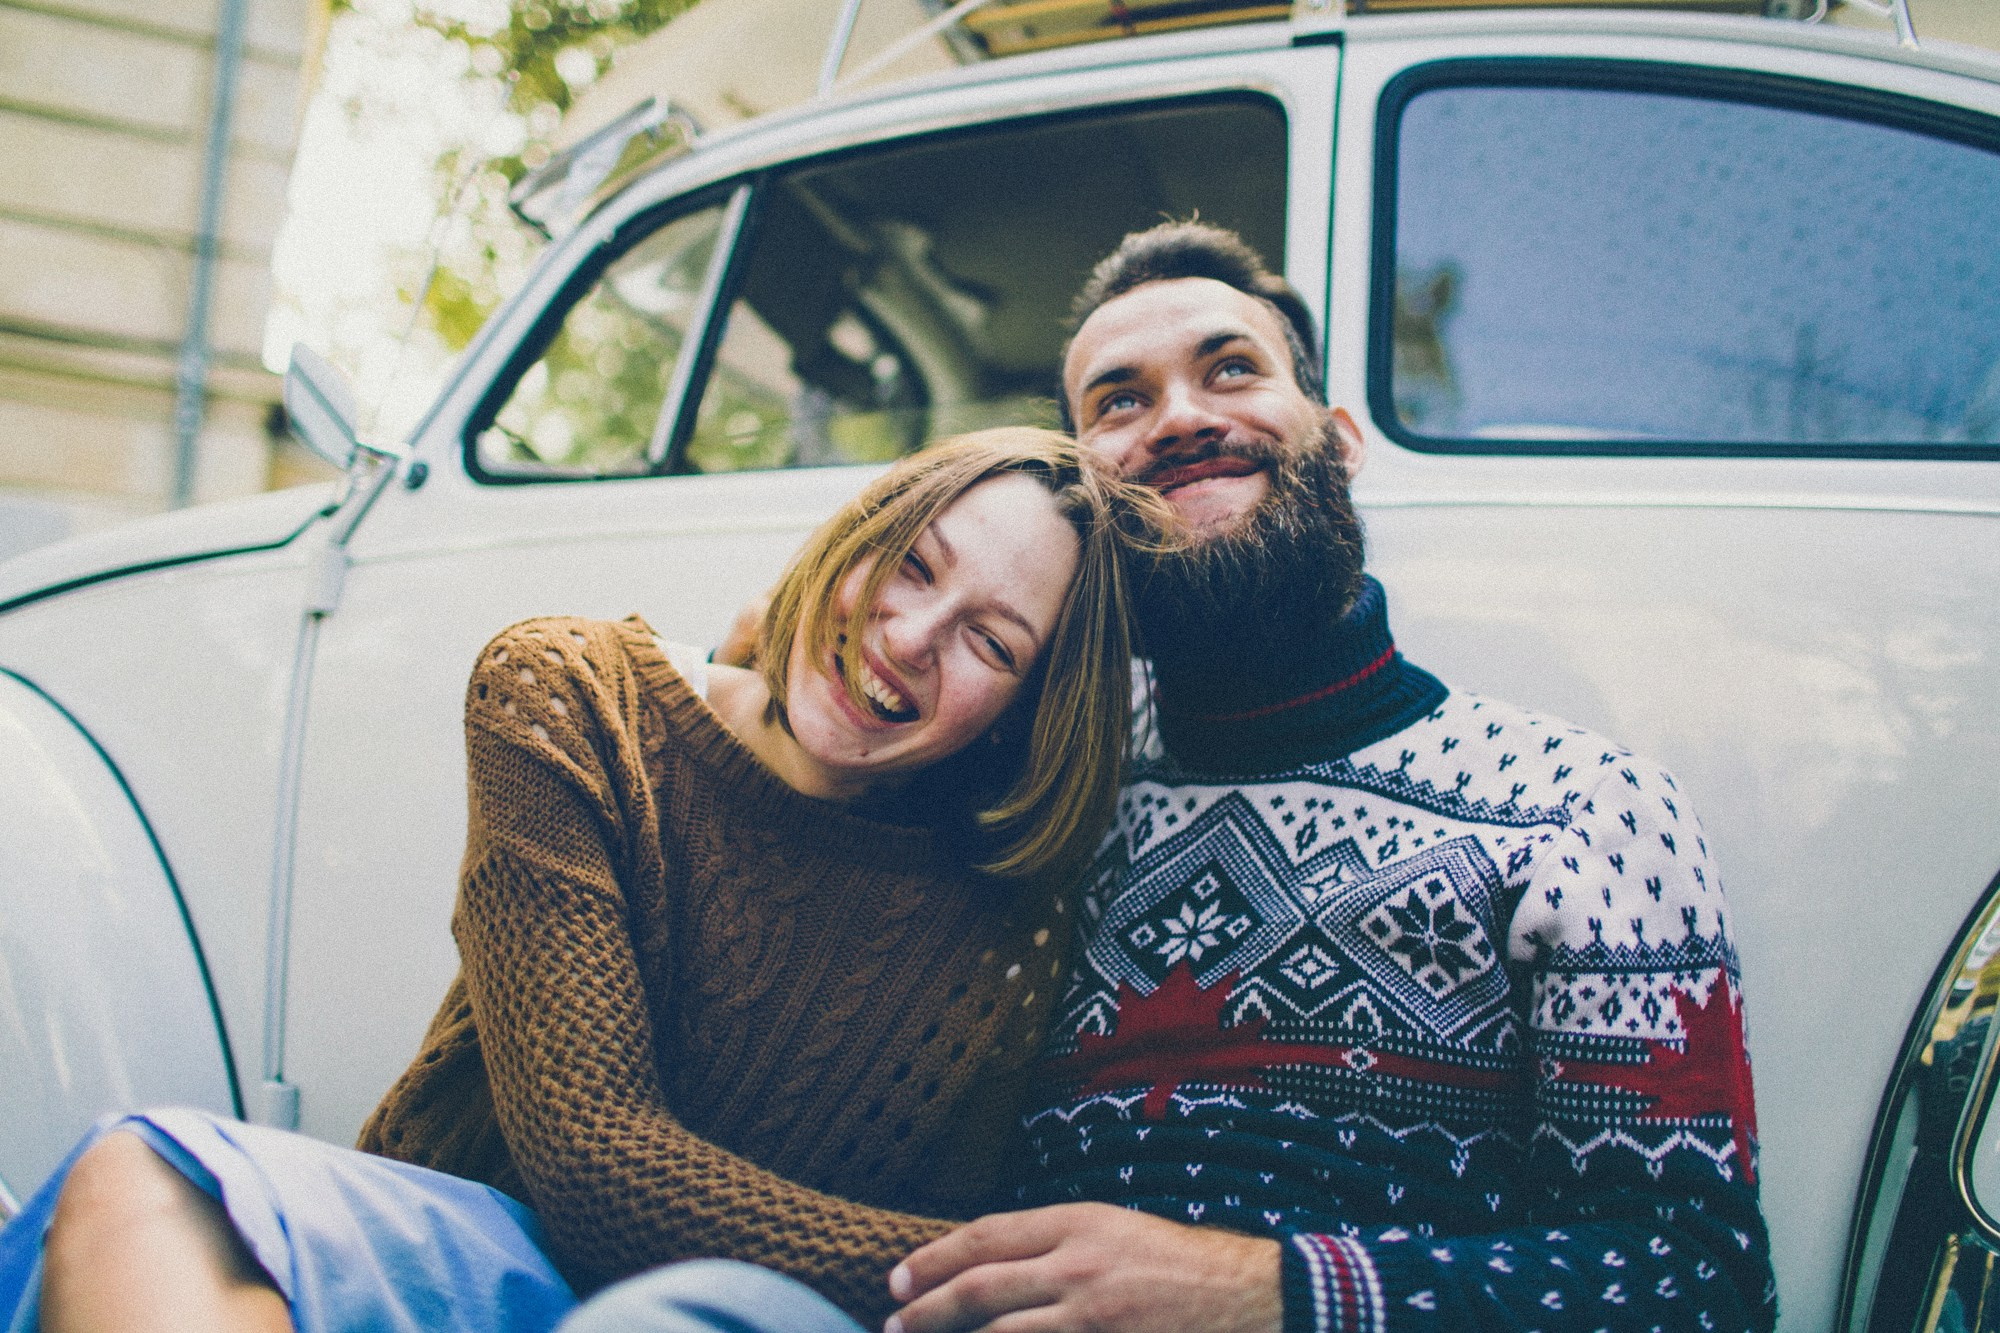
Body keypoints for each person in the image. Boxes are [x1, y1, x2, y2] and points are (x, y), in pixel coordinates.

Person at [597, 223, 1777, 1332]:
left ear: (1341, 439)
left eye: (1229, 371)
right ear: (1084, 497)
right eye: (1118, 400)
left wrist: (1258, 1291)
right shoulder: (1018, 790)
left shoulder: (1578, 809)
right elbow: (780, 785)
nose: (1176, 417)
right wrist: (764, 653)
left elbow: (1698, 1276)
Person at [0, 427, 1172, 1333]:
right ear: (854, 528)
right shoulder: (575, 699)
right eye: (910, 563)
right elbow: (592, 1161)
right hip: (472, 1239)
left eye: (990, 642)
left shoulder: (1008, 920)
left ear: (1023, 714)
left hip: (745, 1314)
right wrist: (999, 1279)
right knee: (139, 1174)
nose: (910, 633)